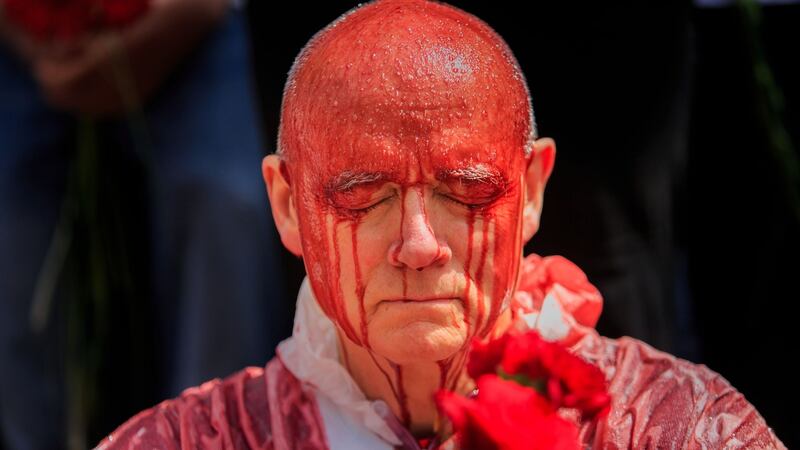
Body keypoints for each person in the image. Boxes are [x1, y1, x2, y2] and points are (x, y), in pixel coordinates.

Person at [96, 0, 785, 448]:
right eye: (364, 196)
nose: (419, 244)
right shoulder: (191, 441)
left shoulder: (682, 428)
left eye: (467, 192)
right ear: (285, 205)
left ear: (534, 188)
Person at [0, 0, 290, 447]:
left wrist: (180, 20)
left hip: (186, 22)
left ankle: (216, 434)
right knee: (14, 236)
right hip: (23, 45)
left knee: (224, 204)